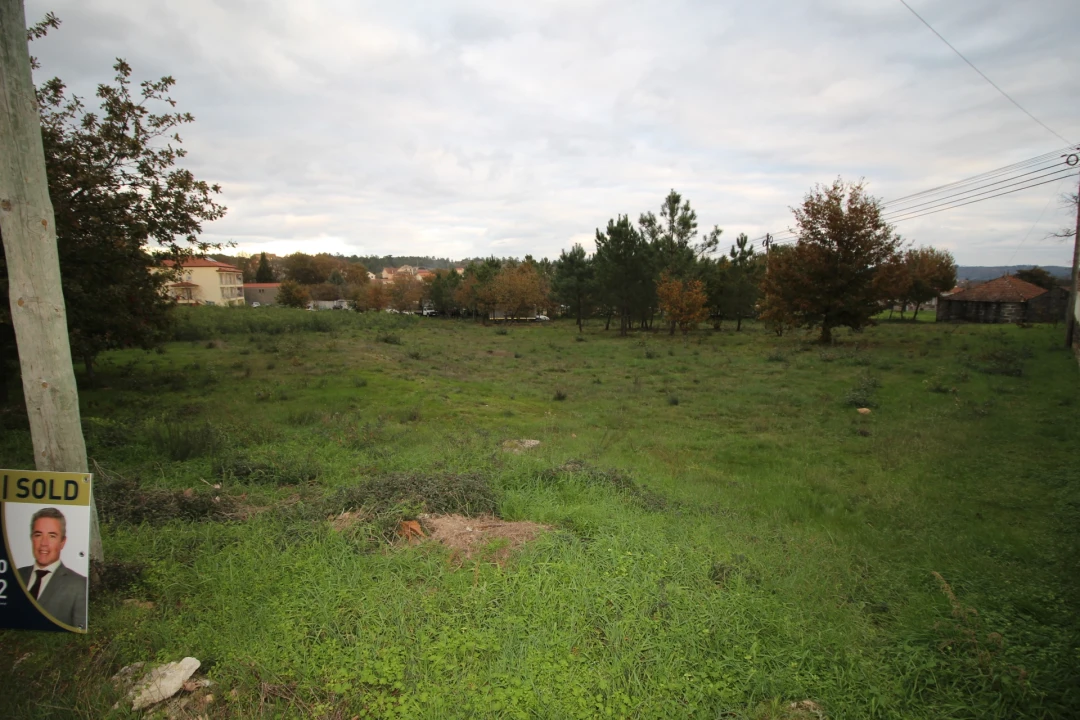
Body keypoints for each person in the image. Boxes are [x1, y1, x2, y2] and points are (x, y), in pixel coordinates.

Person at [17, 507, 86, 629]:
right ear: (32, 538)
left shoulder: (79, 585)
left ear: (62, 542)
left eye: (52, 536)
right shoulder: (15, 576)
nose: (44, 543)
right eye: (38, 535)